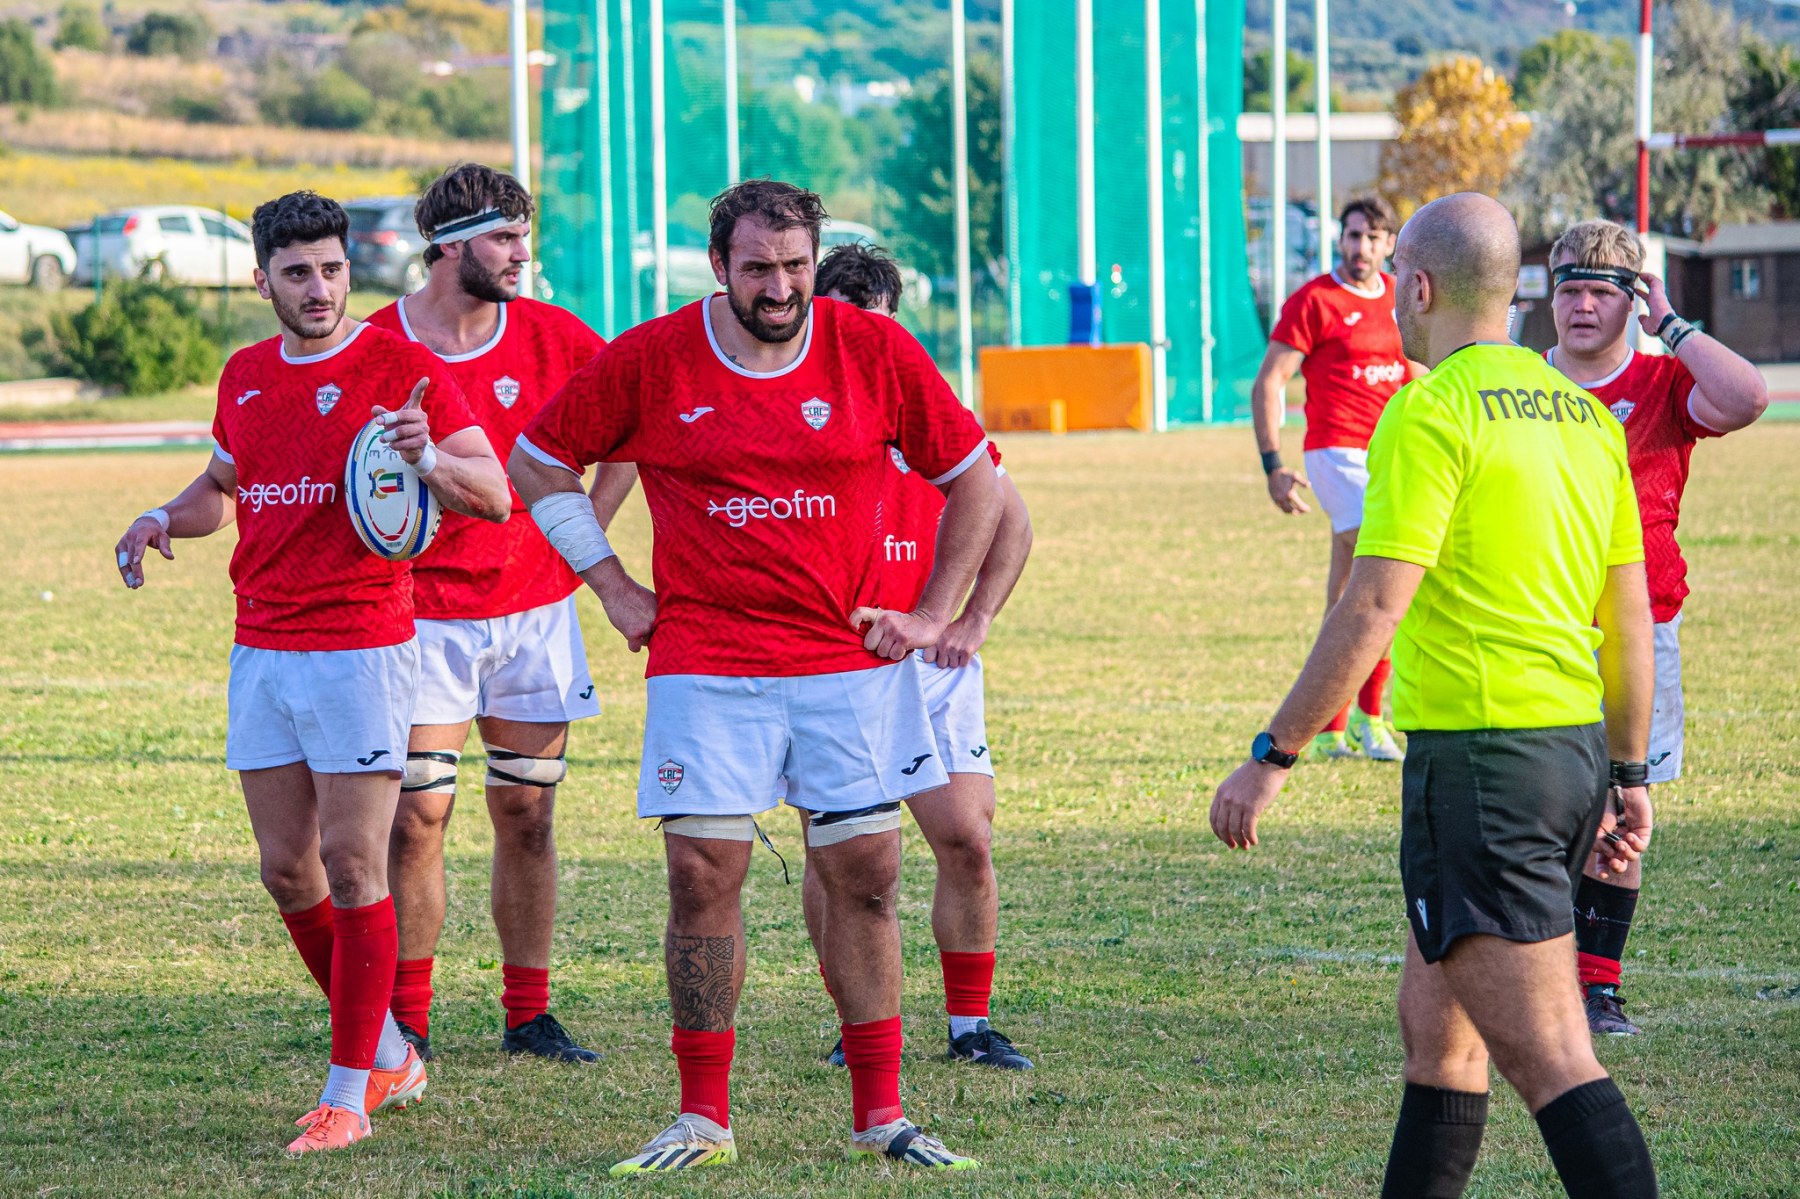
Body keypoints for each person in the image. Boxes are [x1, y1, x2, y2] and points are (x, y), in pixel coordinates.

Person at [509, 180, 1002, 1174]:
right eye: (757, 268)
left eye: (793, 267)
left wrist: (935, 613)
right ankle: (701, 1117)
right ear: (718, 267)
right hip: (707, 664)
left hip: (846, 666)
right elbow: (535, 459)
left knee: (867, 879)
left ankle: (882, 1113)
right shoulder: (654, 358)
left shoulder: (874, 349)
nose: (778, 288)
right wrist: (607, 580)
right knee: (700, 877)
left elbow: (976, 480)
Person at [1211, 193, 1659, 1198]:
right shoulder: (1585, 416)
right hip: (1572, 750)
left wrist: (1273, 753)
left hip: (1484, 764)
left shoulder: (1428, 407)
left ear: (1415, 286)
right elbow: (1627, 620)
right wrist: (1629, 773)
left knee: (1553, 1056)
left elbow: (1372, 602)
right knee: (1440, 1039)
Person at [112, 191, 510, 1153]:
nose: (321, 287)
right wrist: (164, 516)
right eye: (298, 273)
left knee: (352, 861)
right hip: (262, 647)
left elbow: (492, 494)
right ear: (263, 281)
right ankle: (386, 1049)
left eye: (332, 268)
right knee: (288, 871)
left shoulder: (397, 367)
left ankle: (349, 1093)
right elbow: (222, 488)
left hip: (364, 645)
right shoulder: (245, 375)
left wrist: (430, 460)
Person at [365, 163, 608, 1063]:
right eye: (504, 238)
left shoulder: (556, 336)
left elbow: (622, 437)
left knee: (527, 812)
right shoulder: (379, 344)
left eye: (523, 237)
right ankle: (409, 1015)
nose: (520, 254)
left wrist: (586, 538)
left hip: (534, 612)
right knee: (417, 814)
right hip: (419, 613)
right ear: (451, 244)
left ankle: (527, 1013)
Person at [799, 243, 1038, 1070]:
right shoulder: (797, 411)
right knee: (843, 860)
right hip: (838, 665)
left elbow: (1013, 521)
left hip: (933, 667)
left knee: (967, 838)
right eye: (849, 329)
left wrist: (969, 621)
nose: (869, 347)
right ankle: (854, 1020)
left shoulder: (927, 406)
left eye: (882, 331)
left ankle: (970, 1024)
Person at [1544, 219, 1770, 1036]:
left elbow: (1747, 397)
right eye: (1568, 288)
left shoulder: (1666, 383)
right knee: (1547, 808)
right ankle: (1537, 979)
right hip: (1537, 621)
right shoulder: (1523, 385)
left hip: (1642, 627)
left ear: (1633, 298)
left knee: (1623, 810)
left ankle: (1597, 989)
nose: (1580, 306)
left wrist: (1671, 326)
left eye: (1602, 291)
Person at [1252, 196, 1416, 762]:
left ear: (1390, 243)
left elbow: (1418, 374)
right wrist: (1274, 464)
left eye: (1372, 237)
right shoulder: (1315, 299)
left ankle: (1331, 728)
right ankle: (1372, 722)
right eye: (1352, 236)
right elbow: (1270, 381)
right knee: (1389, 578)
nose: (1361, 247)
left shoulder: (1403, 300)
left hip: (1388, 456)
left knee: (1348, 594)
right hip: (1336, 454)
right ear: (1339, 239)